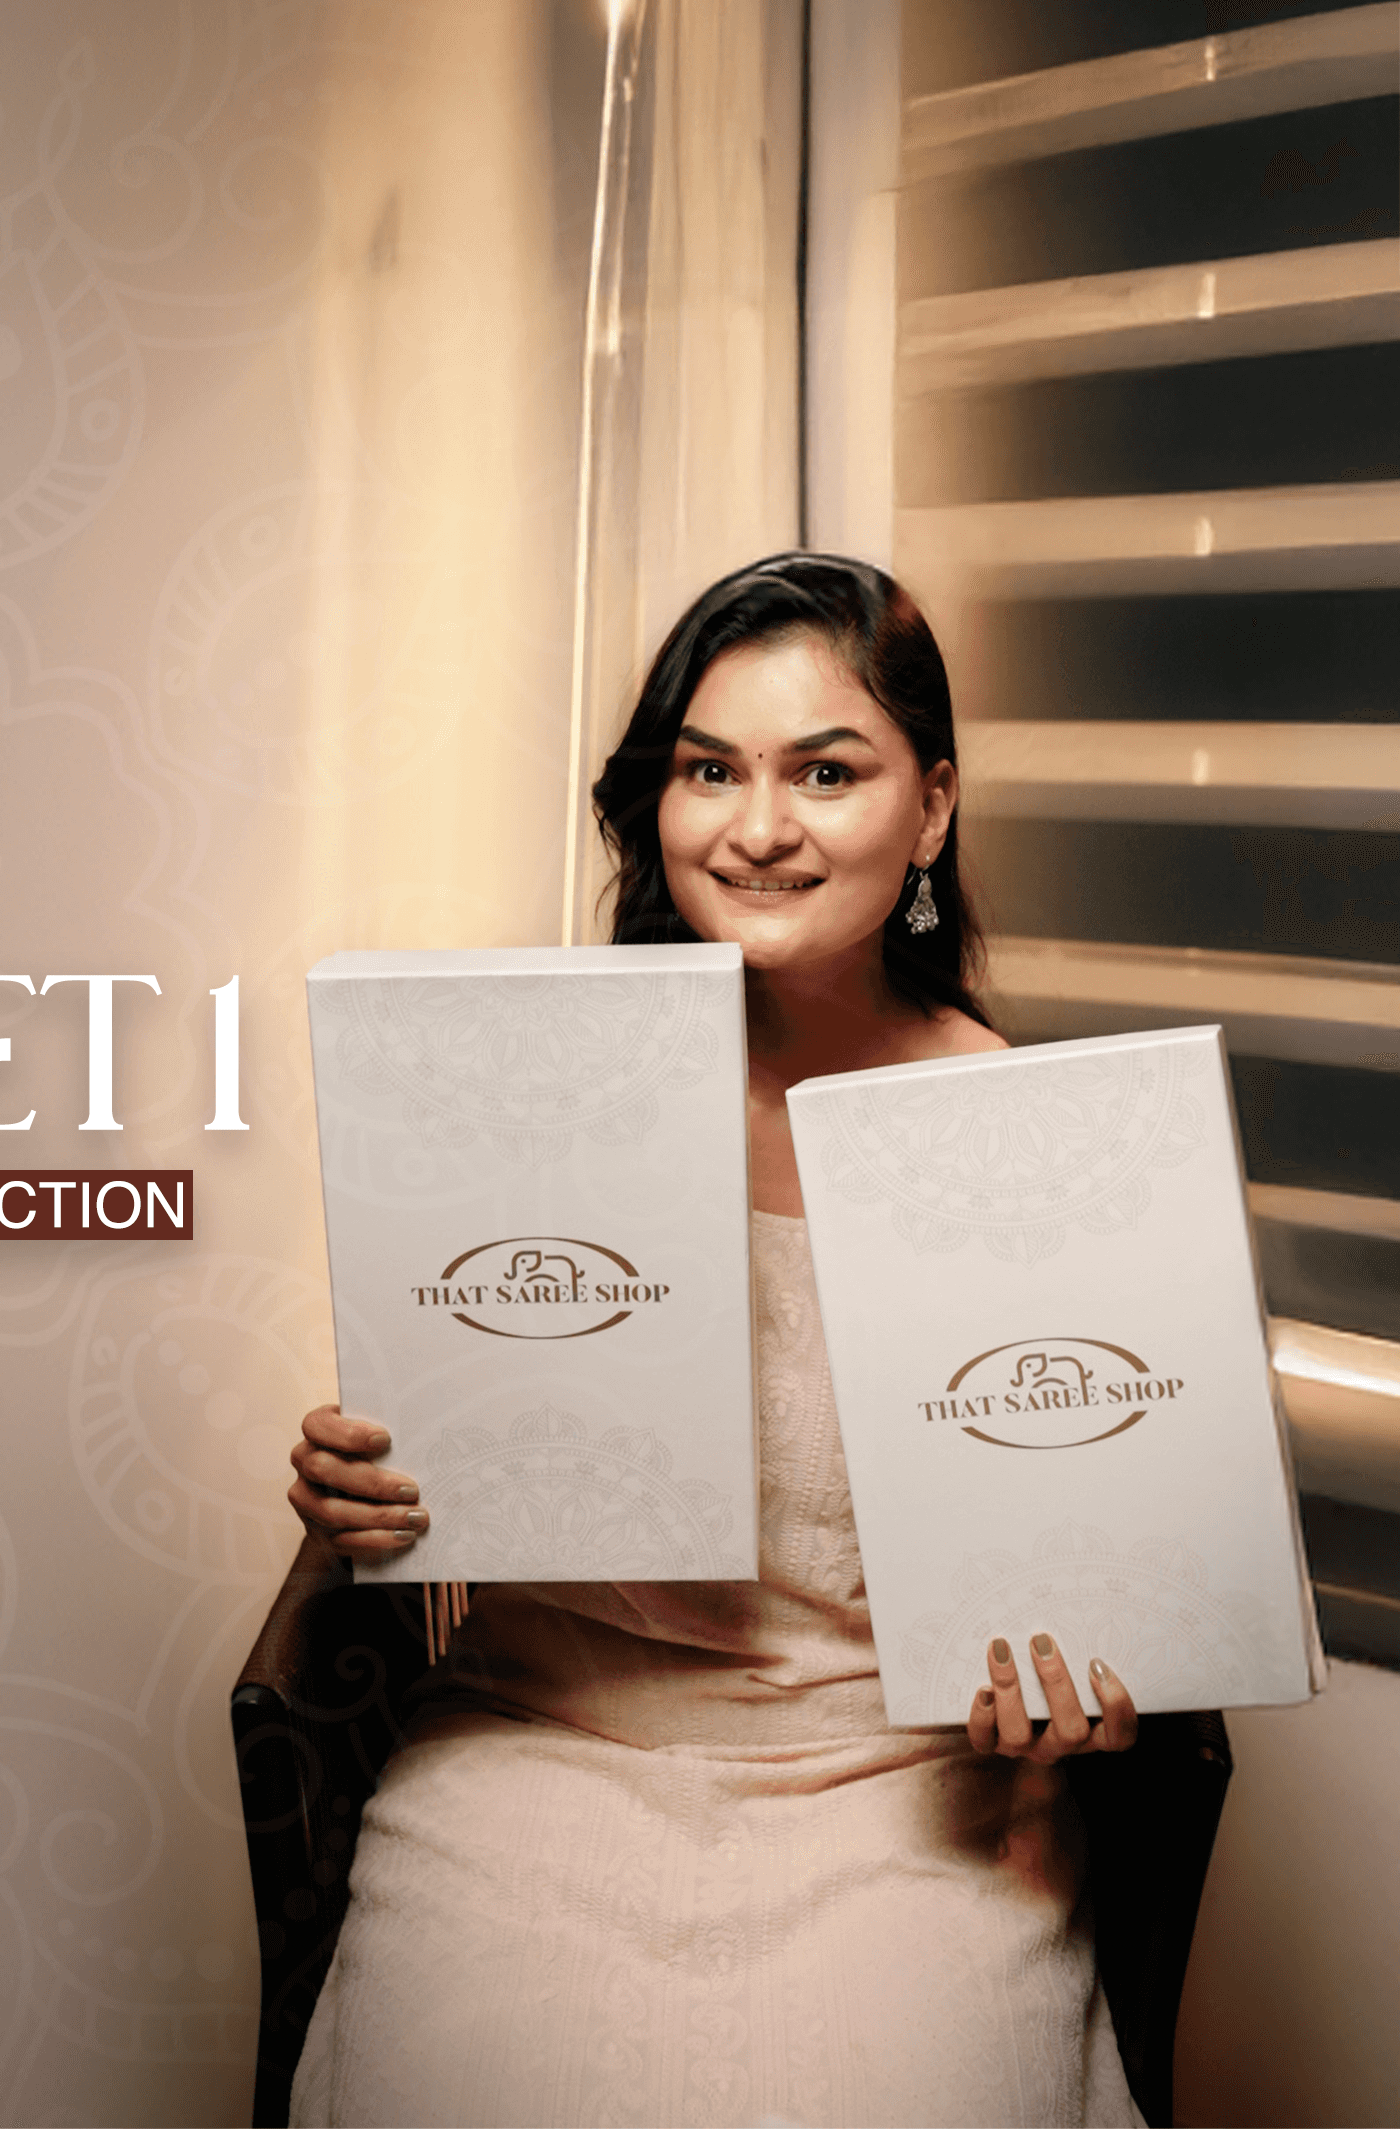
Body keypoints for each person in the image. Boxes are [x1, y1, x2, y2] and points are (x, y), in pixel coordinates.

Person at [284, 555, 1144, 2128]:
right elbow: (463, 1443)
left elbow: (1104, 1532)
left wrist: (1099, 1667)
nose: (758, 828)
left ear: (932, 809)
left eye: (827, 771)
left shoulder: (1027, 1141)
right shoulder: (530, 1088)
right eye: (708, 771)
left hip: (906, 1796)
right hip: (537, 1750)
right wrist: (369, 1493)